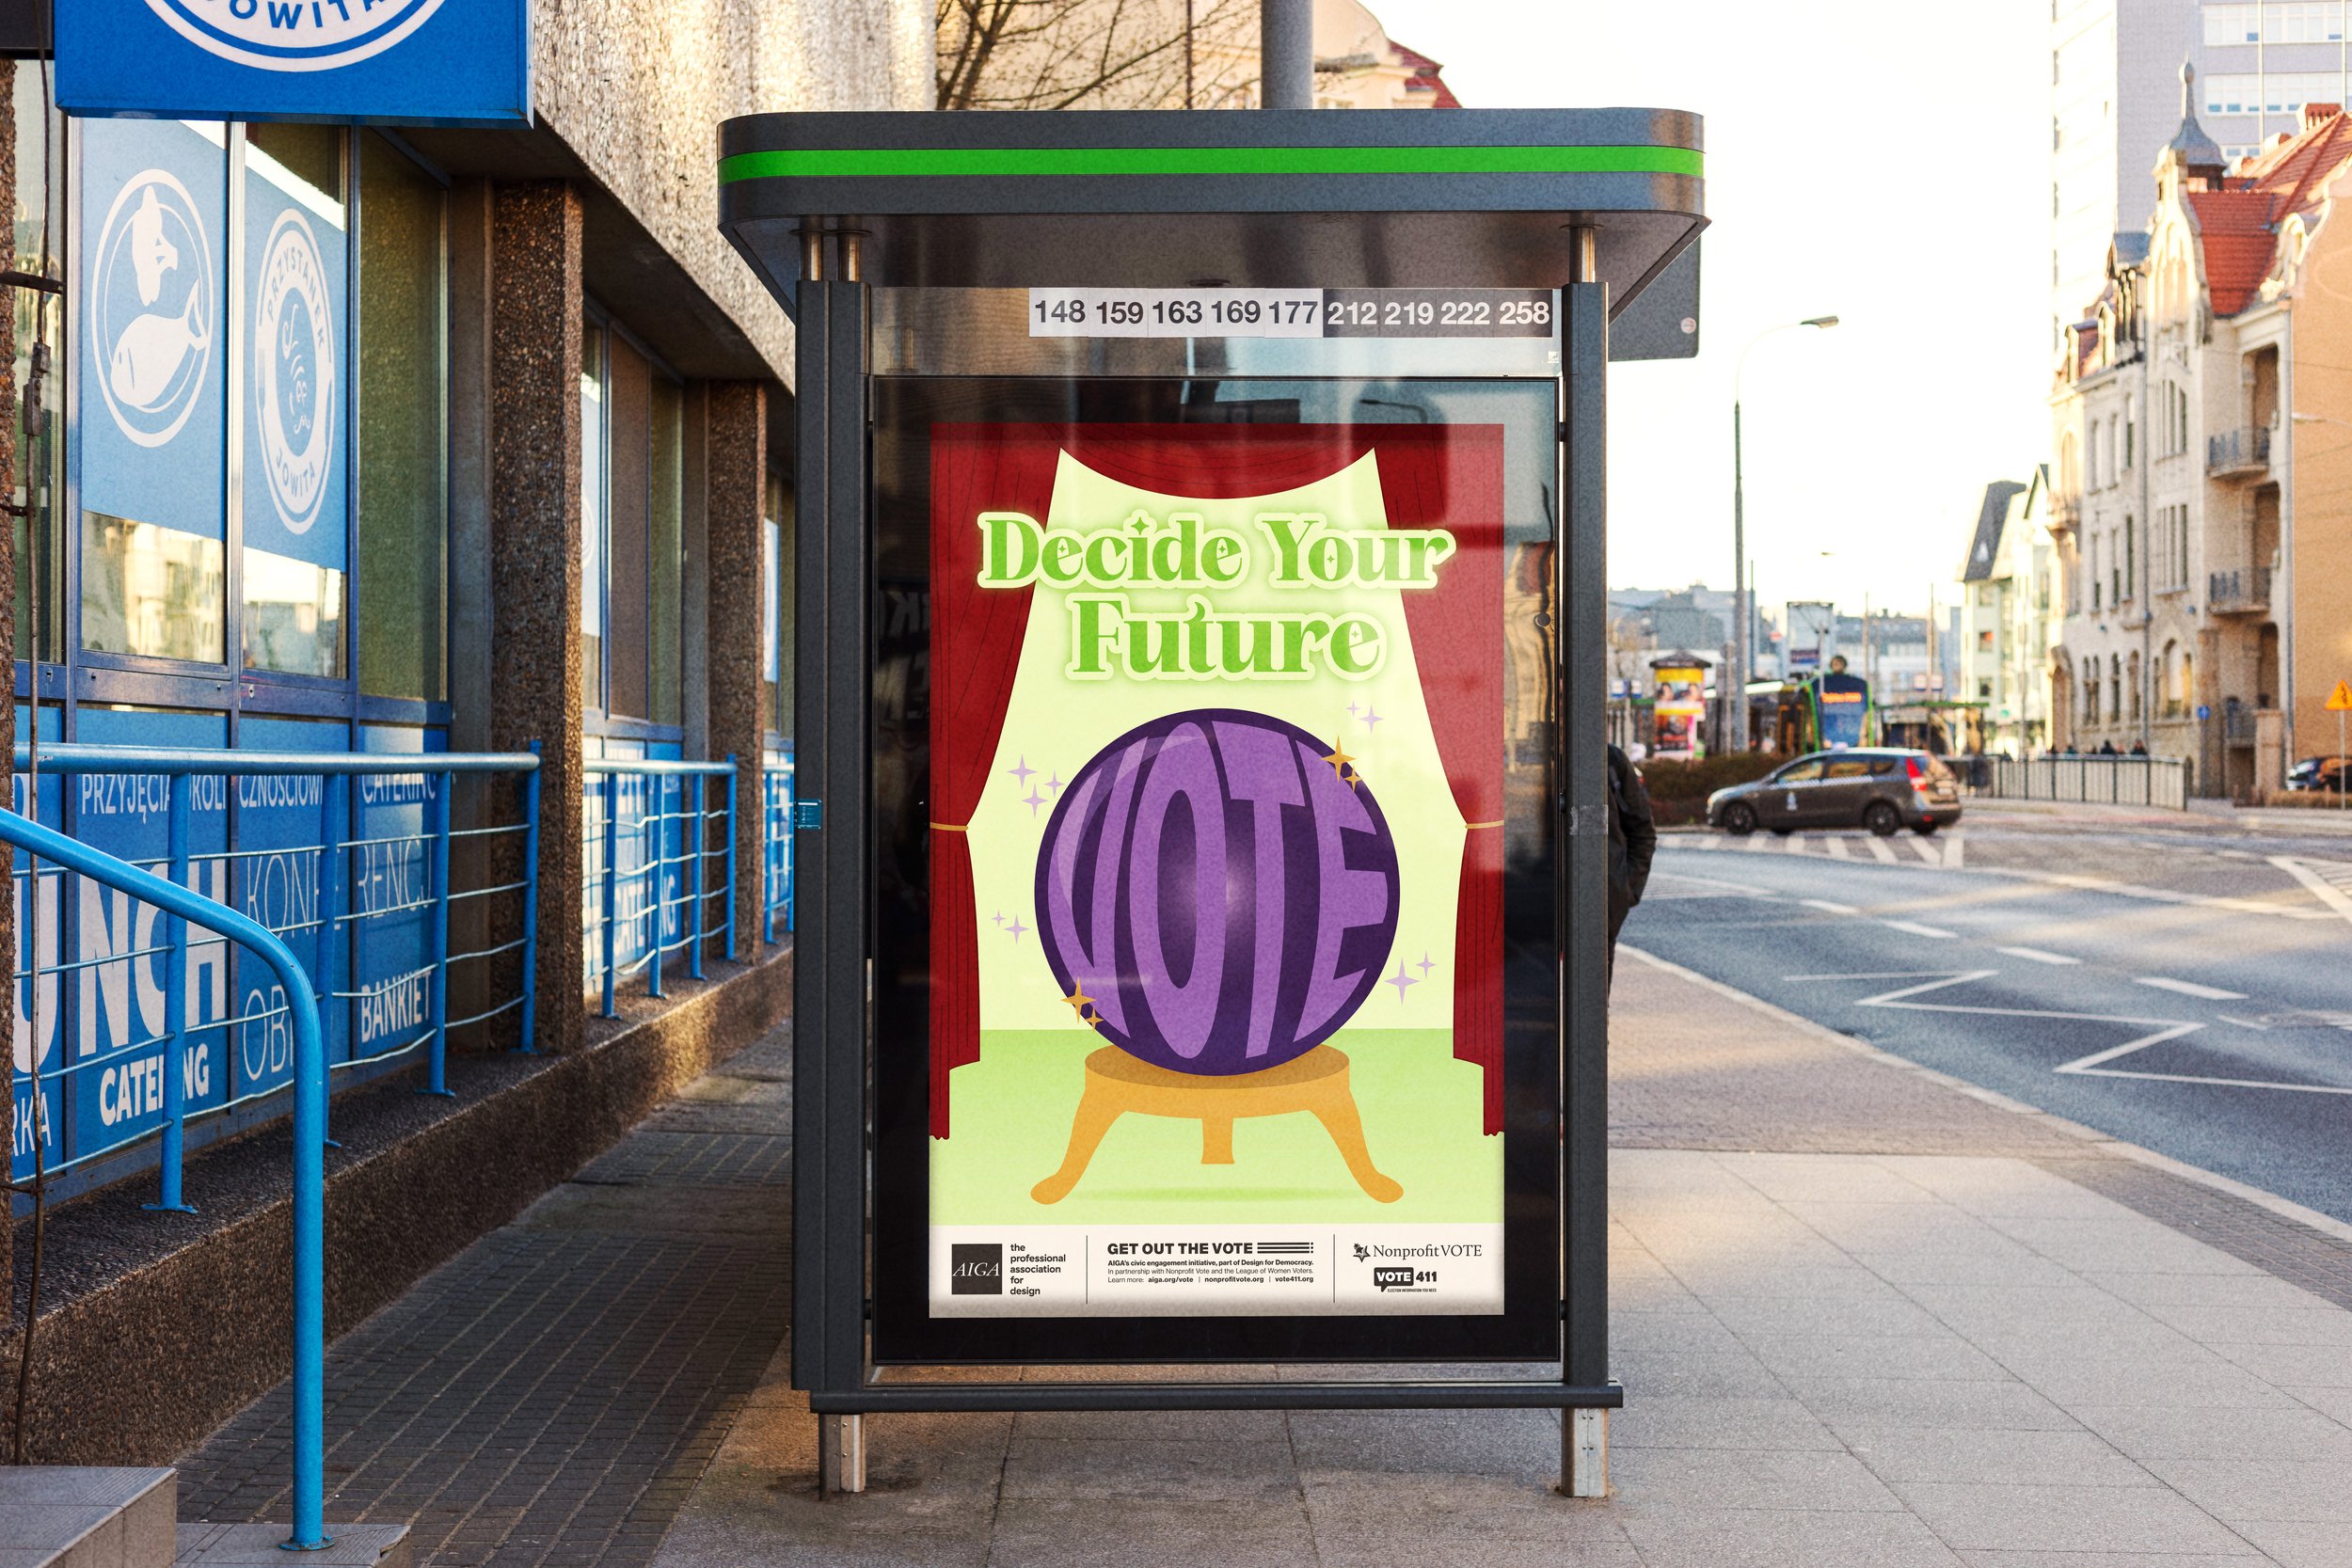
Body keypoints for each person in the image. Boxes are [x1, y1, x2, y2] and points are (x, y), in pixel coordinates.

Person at [1605, 742, 1656, 985]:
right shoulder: (1525, 759)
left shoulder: (1610, 760)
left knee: (1591, 1011)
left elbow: (1642, 831)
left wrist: (1625, 891)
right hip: (1532, 911)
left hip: (1601, 907)